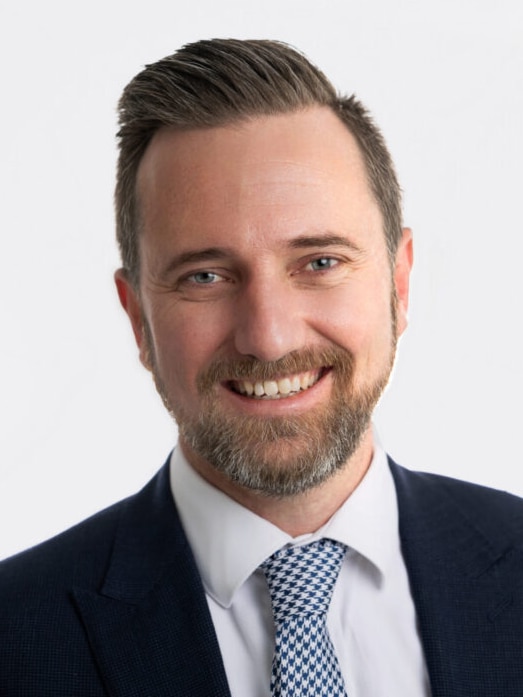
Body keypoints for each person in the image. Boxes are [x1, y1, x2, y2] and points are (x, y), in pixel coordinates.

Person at [1, 38, 522, 697]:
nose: (269, 338)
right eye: (206, 275)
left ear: (399, 283)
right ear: (137, 318)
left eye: (319, 262)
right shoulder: (15, 639)